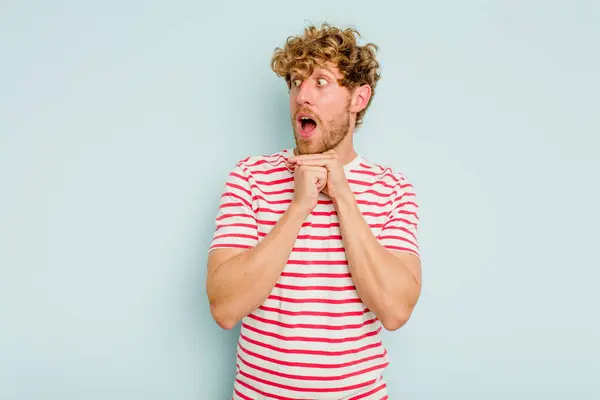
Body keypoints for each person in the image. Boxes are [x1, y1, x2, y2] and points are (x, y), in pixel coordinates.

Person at [206, 23, 422, 400]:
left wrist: (343, 197)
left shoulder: (393, 188)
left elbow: (395, 310)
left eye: (320, 82)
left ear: (359, 97)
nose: (301, 95)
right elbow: (225, 308)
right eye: (294, 81)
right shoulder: (250, 177)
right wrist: (299, 206)